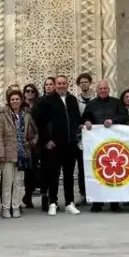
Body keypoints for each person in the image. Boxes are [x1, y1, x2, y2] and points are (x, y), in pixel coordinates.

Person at [30, 74, 82, 216]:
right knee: (54, 174)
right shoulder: (47, 101)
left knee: (69, 175)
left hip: (70, 144)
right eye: (58, 84)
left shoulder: (72, 100)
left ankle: (69, 203)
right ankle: (53, 202)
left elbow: (76, 119)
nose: (61, 86)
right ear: (55, 85)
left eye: (64, 83)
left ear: (67, 84)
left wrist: (76, 135)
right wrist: (46, 140)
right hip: (54, 144)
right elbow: (39, 123)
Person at [81, 80, 129, 213]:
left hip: (114, 144)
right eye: (100, 88)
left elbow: (125, 116)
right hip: (96, 145)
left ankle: (114, 203)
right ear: (97, 90)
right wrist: (87, 122)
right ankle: (97, 202)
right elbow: (84, 119)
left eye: (105, 88)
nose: (103, 90)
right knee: (97, 172)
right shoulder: (91, 104)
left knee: (115, 172)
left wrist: (112, 121)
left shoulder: (116, 102)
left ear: (109, 90)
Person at [0, 88, 37, 218]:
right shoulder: (3, 116)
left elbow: (35, 132)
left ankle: (16, 206)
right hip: (7, 154)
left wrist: (30, 144)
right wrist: (0, 154)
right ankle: (6, 208)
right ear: (9, 101)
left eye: (17, 99)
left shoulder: (26, 115)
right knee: (7, 183)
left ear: (21, 100)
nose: (15, 101)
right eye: (12, 99)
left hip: (21, 154)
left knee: (18, 182)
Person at [73, 73, 94, 203]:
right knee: (82, 166)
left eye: (86, 82)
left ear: (90, 83)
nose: (84, 84)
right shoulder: (76, 100)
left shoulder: (95, 99)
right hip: (81, 137)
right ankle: (83, 193)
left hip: (94, 136)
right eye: (81, 82)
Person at [21, 83, 42, 208]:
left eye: (32, 91)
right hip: (22, 143)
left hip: (35, 142)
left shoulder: (39, 106)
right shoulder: (20, 106)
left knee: (33, 168)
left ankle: (28, 195)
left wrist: (36, 139)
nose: (29, 93)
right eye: (27, 91)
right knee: (24, 170)